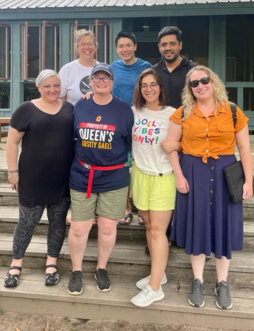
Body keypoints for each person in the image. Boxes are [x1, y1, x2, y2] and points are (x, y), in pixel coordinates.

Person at [166, 65, 253, 310]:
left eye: (204, 80)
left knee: (223, 226)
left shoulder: (233, 112)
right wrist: (179, 176)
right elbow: (172, 146)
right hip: (193, 173)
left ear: (213, 81)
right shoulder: (183, 113)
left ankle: (222, 283)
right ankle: (198, 280)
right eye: (194, 83)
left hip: (225, 173)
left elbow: (244, 148)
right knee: (198, 224)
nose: (200, 85)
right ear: (190, 89)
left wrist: (248, 180)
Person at [67, 63, 133, 295]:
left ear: (112, 82)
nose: (101, 81)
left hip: (114, 176)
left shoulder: (124, 110)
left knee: (107, 226)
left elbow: (130, 144)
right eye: (97, 78)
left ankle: (101, 268)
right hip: (83, 174)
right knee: (79, 227)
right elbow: (71, 137)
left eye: (106, 78)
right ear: (91, 81)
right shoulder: (80, 105)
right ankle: (76, 271)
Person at [4, 70, 74, 288]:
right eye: (47, 86)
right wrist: (12, 171)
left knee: (57, 223)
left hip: (62, 179)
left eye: (56, 85)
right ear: (38, 88)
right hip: (32, 178)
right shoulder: (25, 109)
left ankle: (51, 264)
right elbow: (12, 143)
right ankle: (16, 264)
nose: (52, 90)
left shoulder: (70, 109)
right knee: (26, 222)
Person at [129, 69, 176, 307]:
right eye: (144, 85)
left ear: (160, 87)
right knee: (148, 225)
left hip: (163, 177)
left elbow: (187, 141)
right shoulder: (134, 111)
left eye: (153, 84)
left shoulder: (173, 114)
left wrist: (175, 142)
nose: (149, 89)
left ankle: (155, 288)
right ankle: (160, 273)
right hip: (139, 175)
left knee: (158, 230)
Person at [111, 30, 152, 225]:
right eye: (121, 46)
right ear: (117, 49)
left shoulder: (146, 68)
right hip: (119, 121)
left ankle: (144, 209)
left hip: (142, 120)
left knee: (142, 163)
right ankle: (126, 207)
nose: (125, 49)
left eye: (128, 45)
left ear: (135, 46)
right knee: (122, 165)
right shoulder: (112, 68)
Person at [153, 26, 198, 109]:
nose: (168, 48)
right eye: (164, 44)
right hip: (161, 121)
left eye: (172, 44)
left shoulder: (194, 70)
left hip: (187, 120)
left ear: (180, 45)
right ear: (159, 47)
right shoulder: (153, 72)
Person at [59, 29, 98, 105]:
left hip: (99, 116)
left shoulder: (103, 69)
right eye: (82, 44)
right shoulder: (67, 70)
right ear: (77, 47)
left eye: (90, 44)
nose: (87, 47)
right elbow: (60, 99)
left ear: (95, 46)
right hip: (73, 116)